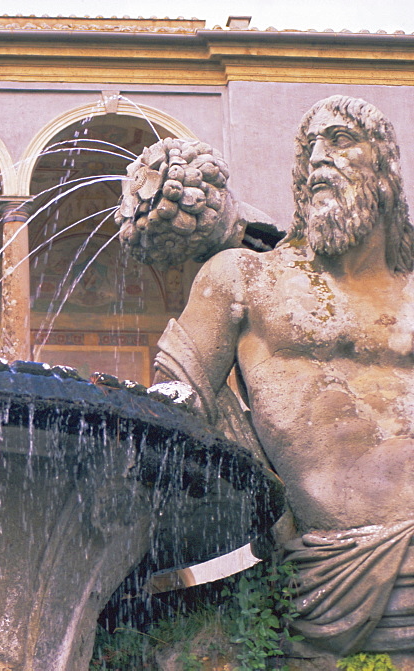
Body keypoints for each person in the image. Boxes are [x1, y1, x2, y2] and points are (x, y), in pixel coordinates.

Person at [154, 95, 414, 655]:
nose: (319, 157)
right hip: (319, 580)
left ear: (386, 167)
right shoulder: (245, 279)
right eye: (307, 149)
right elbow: (167, 413)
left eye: (340, 140)